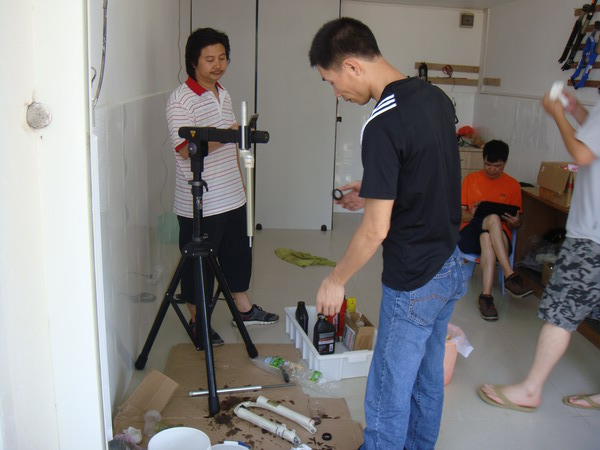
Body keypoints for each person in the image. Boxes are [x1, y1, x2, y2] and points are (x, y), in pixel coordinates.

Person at [309, 18, 467, 449]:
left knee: (388, 388)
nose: (337, 93)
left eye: (332, 81)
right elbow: (428, 172)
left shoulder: (381, 122)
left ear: (352, 65)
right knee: (427, 377)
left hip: (414, 279)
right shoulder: (435, 97)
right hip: (450, 264)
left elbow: (376, 230)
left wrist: (336, 279)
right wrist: (374, 190)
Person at [478, 88, 600, 412]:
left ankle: (531, 390)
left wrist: (557, 114)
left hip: (592, 238)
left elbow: (584, 153)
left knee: (560, 314)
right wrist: (576, 110)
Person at [165, 28, 278, 347]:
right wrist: (229, 134)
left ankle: (243, 309)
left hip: (232, 195)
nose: (218, 65)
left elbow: (228, 148)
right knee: (198, 265)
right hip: (201, 201)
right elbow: (185, 150)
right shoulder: (180, 100)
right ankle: (197, 321)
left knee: (238, 255)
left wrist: (239, 182)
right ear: (193, 62)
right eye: (210, 59)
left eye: (222, 58)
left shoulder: (222, 93)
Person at [458, 139, 533, 321]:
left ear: (505, 163)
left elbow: (516, 223)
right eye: (487, 164)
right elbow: (459, 215)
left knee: (487, 238)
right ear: (483, 160)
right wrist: (472, 212)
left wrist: (516, 222)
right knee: (492, 219)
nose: (491, 169)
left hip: (499, 239)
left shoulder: (513, 185)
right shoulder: (470, 180)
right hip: (470, 234)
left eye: (497, 166)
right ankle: (510, 275)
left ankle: (486, 297)